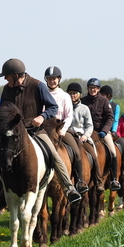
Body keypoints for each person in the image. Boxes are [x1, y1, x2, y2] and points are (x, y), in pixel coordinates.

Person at [0, 58, 82, 207]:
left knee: (54, 154)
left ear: (16, 75)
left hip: (35, 130)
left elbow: (53, 107)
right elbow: (1, 116)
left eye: (7, 76)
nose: (5, 79)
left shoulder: (38, 86)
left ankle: (69, 188)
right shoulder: (7, 89)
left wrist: (42, 117)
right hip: (12, 133)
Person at [44, 66, 88, 194]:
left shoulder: (64, 96)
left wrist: (63, 129)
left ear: (59, 79)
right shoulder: (42, 94)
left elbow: (69, 115)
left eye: (54, 79)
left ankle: (79, 181)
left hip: (60, 127)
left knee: (76, 150)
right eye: (49, 79)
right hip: (45, 128)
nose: (52, 81)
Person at [81, 78, 121, 191]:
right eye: (90, 88)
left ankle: (114, 179)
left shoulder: (104, 101)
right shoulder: (83, 101)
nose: (93, 90)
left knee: (113, 152)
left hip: (101, 132)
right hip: (86, 132)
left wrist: (105, 130)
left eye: (95, 88)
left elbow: (110, 117)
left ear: (98, 89)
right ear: (88, 88)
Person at [66, 82, 104, 192]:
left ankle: (98, 180)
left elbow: (89, 125)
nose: (72, 95)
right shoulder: (64, 107)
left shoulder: (84, 108)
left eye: (74, 93)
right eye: (70, 93)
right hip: (67, 135)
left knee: (93, 154)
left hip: (81, 137)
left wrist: (86, 136)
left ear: (79, 95)